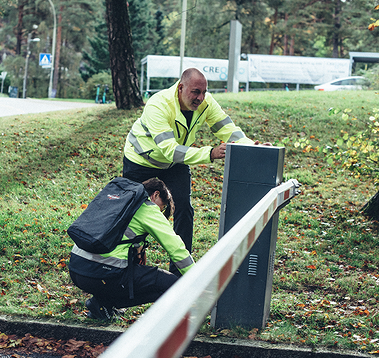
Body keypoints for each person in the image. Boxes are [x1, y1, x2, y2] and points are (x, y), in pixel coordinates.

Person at [122, 68, 270, 271]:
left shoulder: (206, 103)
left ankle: (179, 273)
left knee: (183, 208)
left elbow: (228, 130)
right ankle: (126, 261)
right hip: (141, 161)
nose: (200, 98)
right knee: (130, 210)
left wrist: (252, 146)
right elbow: (169, 150)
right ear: (181, 88)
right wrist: (210, 154)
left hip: (174, 164)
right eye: (195, 92)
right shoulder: (159, 104)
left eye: (204, 92)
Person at [68, 178, 194, 321]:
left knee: (132, 271)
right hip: (101, 274)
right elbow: (176, 248)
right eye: (163, 206)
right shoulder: (148, 208)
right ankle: (103, 302)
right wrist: (197, 278)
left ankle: (102, 304)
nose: (160, 210)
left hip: (77, 269)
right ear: (156, 195)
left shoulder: (120, 201)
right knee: (170, 284)